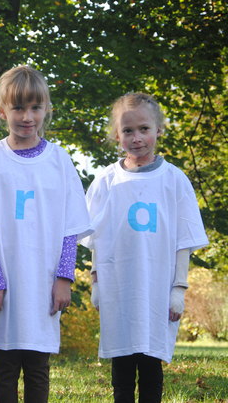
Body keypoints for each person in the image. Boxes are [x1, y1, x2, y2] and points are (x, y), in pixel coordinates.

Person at [0, 65, 92, 403]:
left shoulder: (59, 161)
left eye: (35, 107)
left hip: (43, 283)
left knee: (37, 367)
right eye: (18, 107)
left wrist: (64, 277)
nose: (27, 116)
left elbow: (69, 227)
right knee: (5, 366)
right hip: (3, 282)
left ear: (46, 109)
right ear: (2, 110)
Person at [81, 92, 208, 402]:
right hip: (119, 288)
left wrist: (178, 289)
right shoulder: (107, 182)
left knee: (151, 367)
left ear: (158, 130)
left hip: (156, 290)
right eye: (127, 131)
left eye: (144, 129)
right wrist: (96, 280)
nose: (136, 138)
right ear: (116, 135)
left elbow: (184, 240)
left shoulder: (174, 180)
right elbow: (98, 236)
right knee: (122, 367)